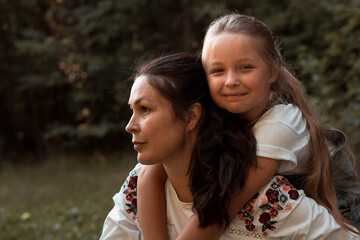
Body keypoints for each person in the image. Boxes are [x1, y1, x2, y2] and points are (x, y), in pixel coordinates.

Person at [136, 13, 360, 239]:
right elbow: (149, 175)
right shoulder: (216, 109)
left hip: (340, 212)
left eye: (245, 67)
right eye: (218, 71)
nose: (231, 80)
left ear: (272, 71)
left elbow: (223, 207)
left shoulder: (282, 123)